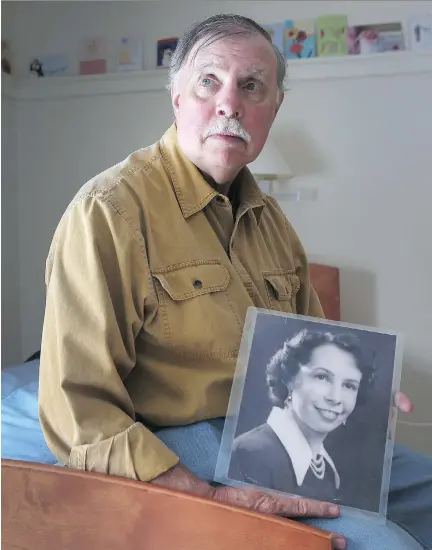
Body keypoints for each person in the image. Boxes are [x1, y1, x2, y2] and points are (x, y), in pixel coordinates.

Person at [38, 13, 431, 550]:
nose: (230, 103)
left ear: (273, 109)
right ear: (177, 98)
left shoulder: (274, 224)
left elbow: (316, 344)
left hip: (285, 426)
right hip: (183, 440)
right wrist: (203, 498)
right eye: (209, 81)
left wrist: (362, 399)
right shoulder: (109, 211)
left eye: (252, 86)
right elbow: (76, 409)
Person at [229, 329, 376, 507]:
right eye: (322, 377)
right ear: (289, 379)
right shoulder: (251, 453)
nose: (335, 398)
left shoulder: (327, 469)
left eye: (349, 386)